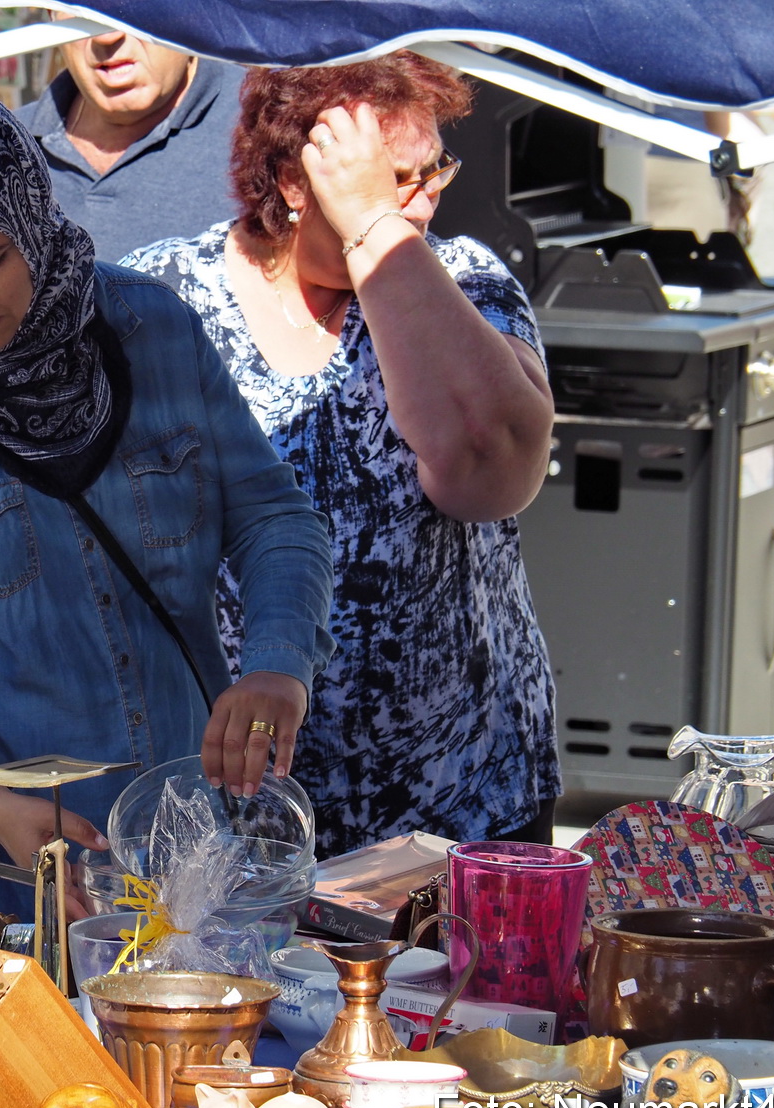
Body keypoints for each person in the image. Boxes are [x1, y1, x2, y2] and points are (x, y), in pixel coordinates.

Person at [0, 87, 336, 936]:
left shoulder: (151, 330)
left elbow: (273, 517)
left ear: (35, 220)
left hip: (173, 847)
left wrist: (277, 662)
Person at [124, 57, 562, 857]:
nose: (427, 199)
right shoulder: (164, 300)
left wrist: (373, 227)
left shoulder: (465, 282)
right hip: (236, 824)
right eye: (397, 178)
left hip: (460, 806)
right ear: (296, 181)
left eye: (436, 169)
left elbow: (491, 472)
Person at [15, 27, 241, 261]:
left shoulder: (266, 131)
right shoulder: (0, 145)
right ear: (52, 13)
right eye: (82, 5)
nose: (107, 35)